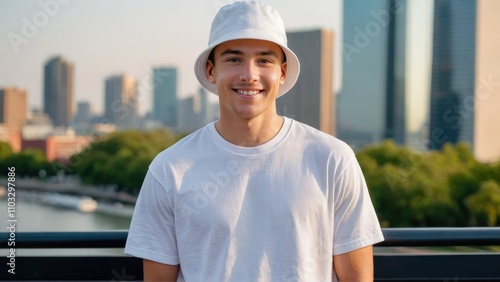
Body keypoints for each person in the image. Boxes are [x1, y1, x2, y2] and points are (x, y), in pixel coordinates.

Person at [125, 1, 384, 281]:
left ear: (282, 73)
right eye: (234, 59)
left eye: (264, 60)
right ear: (211, 71)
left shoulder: (334, 159)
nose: (249, 75)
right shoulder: (169, 169)